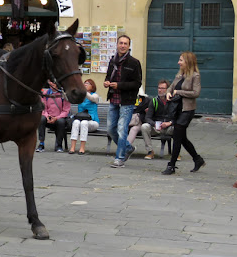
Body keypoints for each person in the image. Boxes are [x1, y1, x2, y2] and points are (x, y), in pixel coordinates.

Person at [162, 52, 205, 175]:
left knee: (177, 136)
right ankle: (198, 159)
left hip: (187, 110)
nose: (178, 62)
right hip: (177, 109)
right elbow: (171, 88)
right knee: (182, 137)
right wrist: (169, 92)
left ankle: (171, 165)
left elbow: (196, 93)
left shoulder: (195, 76)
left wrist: (178, 92)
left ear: (188, 62)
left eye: (181, 60)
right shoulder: (180, 74)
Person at [104, 35, 142, 168]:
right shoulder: (113, 60)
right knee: (110, 129)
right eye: (121, 43)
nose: (123, 45)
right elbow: (109, 75)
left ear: (129, 46)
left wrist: (119, 85)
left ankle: (119, 158)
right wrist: (107, 82)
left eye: (126, 44)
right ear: (117, 44)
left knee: (121, 129)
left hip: (127, 101)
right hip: (113, 99)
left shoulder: (134, 62)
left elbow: (137, 83)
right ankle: (128, 148)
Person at [141, 80, 176, 160]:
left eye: (163, 88)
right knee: (144, 126)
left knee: (178, 128)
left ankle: (176, 153)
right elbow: (148, 117)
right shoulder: (154, 101)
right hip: (157, 127)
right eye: (159, 88)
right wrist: (154, 124)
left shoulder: (173, 101)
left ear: (168, 90)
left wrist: (169, 123)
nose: (160, 90)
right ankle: (150, 151)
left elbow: (178, 118)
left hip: (169, 127)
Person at [36, 80, 71, 153]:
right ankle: (41, 144)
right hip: (48, 117)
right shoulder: (46, 93)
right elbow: (43, 108)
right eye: (50, 82)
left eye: (54, 82)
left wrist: (56, 118)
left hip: (59, 118)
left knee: (61, 122)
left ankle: (58, 145)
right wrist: (47, 116)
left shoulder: (63, 94)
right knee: (41, 119)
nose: (52, 84)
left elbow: (66, 110)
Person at [68, 79, 100, 155]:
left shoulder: (95, 95)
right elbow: (70, 99)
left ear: (92, 86)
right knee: (76, 122)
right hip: (80, 121)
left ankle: (82, 147)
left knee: (84, 123)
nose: (85, 84)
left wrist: (83, 91)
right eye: (84, 83)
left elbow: (92, 98)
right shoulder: (80, 97)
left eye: (88, 83)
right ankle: (72, 147)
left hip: (93, 122)